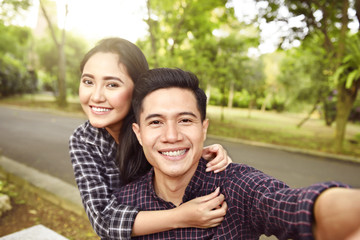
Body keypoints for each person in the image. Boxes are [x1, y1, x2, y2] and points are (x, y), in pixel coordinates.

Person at [115, 68, 360, 239]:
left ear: (204, 128)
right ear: (138, 133)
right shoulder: (126, 202)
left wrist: (344, 210)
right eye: (156, 122)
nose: (171, 135)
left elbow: (291, 205)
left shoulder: (239, 186)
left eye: (185, 120)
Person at [69, 38, 232, 239]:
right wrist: (180, 216)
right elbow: (103, 219)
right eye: (88, 82)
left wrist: (202, 155)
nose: (96, 96)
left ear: (137, 89)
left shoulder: (155, 133)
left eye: (112, 84)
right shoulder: (84, 140)